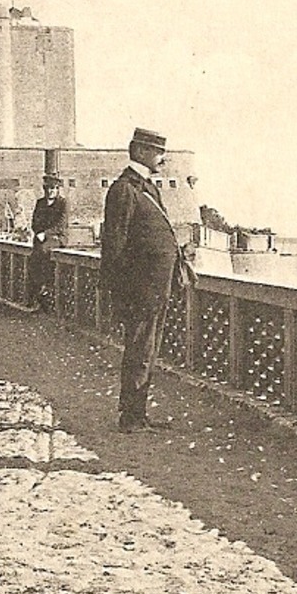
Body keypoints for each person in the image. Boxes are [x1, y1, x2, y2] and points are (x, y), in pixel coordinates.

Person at [102, 128, 194, 433]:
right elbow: (114, 244)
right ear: (140, 151)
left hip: (156, 286)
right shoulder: (124, 189)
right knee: (139, 350)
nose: (162, 158)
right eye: (157, 152)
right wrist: (118, 289)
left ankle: (138, 413)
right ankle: (130, 417)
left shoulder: (146, 189)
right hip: (140, 287)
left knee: (147, 350)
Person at [26, 174, 68, 311]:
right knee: (33, 259)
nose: (51, 191)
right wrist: (38, 232)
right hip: (41, 238)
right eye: (48, 188)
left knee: (43, 252)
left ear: (58, 190)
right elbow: (34, 222)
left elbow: (61, 225)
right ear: (44, 189)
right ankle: (38, 292)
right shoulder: (40, 203)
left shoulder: (63, 203)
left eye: (54, 188)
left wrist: (46, 233)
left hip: (57, 238)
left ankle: (44, 287)